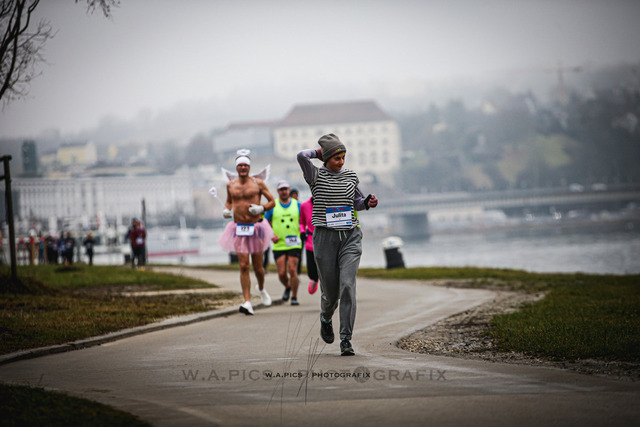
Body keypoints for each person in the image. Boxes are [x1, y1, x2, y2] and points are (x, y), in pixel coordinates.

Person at [297, 134, 379, 356]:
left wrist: (368, 202)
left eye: (343, 157)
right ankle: (326, 317)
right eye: (336, 158)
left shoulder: (351, 176)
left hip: (350, 236)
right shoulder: (315, 175)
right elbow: (301, 156)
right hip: (325, 238)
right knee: (331, 294)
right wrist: (318, 153)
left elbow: (357, 202)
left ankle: (346, 339)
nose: (341, 162)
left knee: (348, 286)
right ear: (326, 158)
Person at [218, 151, 276, 315]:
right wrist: (226, 210)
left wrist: (261, 208)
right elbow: (229, 201)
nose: (243, 168)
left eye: (245, 165)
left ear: (249, 167)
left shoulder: (258, 184)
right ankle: (247, 301)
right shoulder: (231, 185)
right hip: (239, 228)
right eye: (240, 165)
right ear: (236, 167)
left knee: (258, 267)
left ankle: (261, 288)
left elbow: (272, 202)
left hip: (256, 227)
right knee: (243, 265)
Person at [265, 180, 302, 305]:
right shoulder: (272, 206)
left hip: (294, 242)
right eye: (281, 190)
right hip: (279, 243)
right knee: (281, 273)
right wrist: (271, 235)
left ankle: (294, 297)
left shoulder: (297, 205)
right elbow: (265, 223)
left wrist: (304, 231)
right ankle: (288, 286)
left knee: (292, 270)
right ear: (278, 191)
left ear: (289, 190)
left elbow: (304, 220)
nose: (284, 192)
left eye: (286, 189)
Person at [299, 196, 319, 294]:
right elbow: (301, 222)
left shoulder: (326, 203)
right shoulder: (304, 206)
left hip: (325, 241)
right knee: (311, 271)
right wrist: (302, 231)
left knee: (326, 269)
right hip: (310, 240)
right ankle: (314, 279)